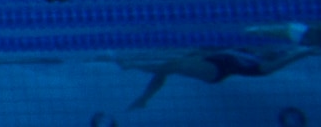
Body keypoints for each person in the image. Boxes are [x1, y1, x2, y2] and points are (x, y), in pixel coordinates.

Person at [107, 47, 310, 109]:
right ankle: (143, 96)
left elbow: (278, 64)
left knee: (173, 66)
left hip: (215, 72)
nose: (270, 54)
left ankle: (129, 66)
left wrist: (307, 52)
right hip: (211, 62)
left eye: (273, 54)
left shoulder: (262, 66)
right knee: (169, 67)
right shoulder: (253, 53)